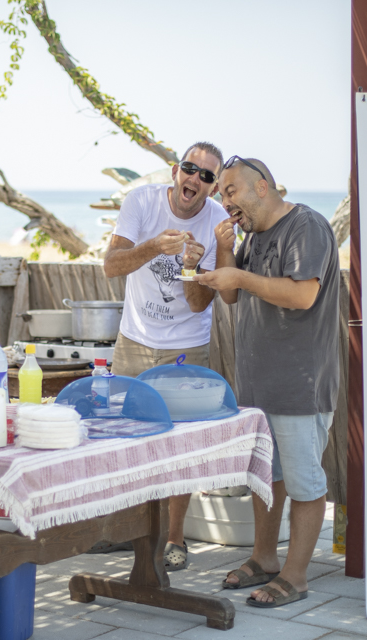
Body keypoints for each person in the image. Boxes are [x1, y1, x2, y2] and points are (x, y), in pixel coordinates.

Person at [197, 155, 339, 608]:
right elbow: (233, 294)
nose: (224, 202)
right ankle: (264, 558)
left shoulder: (306, 226)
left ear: (262, 187)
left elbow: (302, 293)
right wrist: (226, 249)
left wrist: (238, 272)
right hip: (259, 384)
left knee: (303, 482)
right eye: (221, 196)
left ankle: (295, 577)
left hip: (301, 383)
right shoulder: (253, 235)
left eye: (230, 191)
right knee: (266, 477)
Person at [101, 141, 228, 570]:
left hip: (186, 344)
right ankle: (129, 529)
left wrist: (192, 266)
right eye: (190, 169)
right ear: (176, 170)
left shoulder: (217, 222)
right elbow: (112, 265)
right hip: (134, 338)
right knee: (126, 434)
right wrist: (155, 247)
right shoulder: (141, 201)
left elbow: (197, 304)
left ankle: (175, 538)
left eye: (207, 175)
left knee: (180, 443)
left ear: (213, 186)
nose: (195, 179)